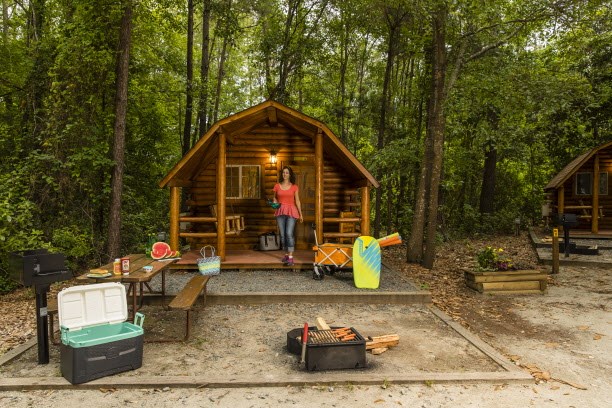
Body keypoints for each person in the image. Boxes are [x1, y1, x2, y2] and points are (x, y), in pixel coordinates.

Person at [273, 166, 303, 266]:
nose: (285, 174)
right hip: (280, 211)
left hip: (291, 211)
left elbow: (297, 201)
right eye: (283, 173)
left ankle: (290, 257)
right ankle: (286, 255)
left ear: (290, 175)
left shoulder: (294, 187)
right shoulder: (277, 186)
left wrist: (300, 213)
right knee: (283, 235)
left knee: (289, 233)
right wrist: (274, 202)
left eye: (287, 173)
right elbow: (275, 198)